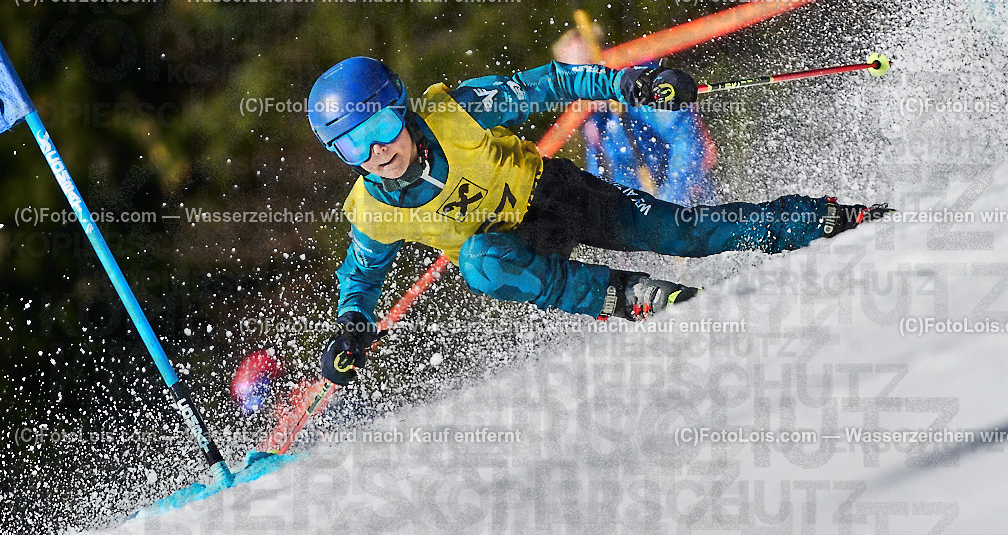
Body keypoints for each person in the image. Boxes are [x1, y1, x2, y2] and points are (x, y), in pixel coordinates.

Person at [308, 57, 888, 386]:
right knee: (480, 263)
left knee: (685, 234)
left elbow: (552, 83)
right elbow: (360, 276)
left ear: (403, 109)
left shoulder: (457, 112)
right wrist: (353, 326)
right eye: (353, 145)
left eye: (381, 127)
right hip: (515, 245)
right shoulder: (372, 209)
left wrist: (628, 84)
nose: (377, 151)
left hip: (557, 194)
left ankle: (825, 218)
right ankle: (625, 295)